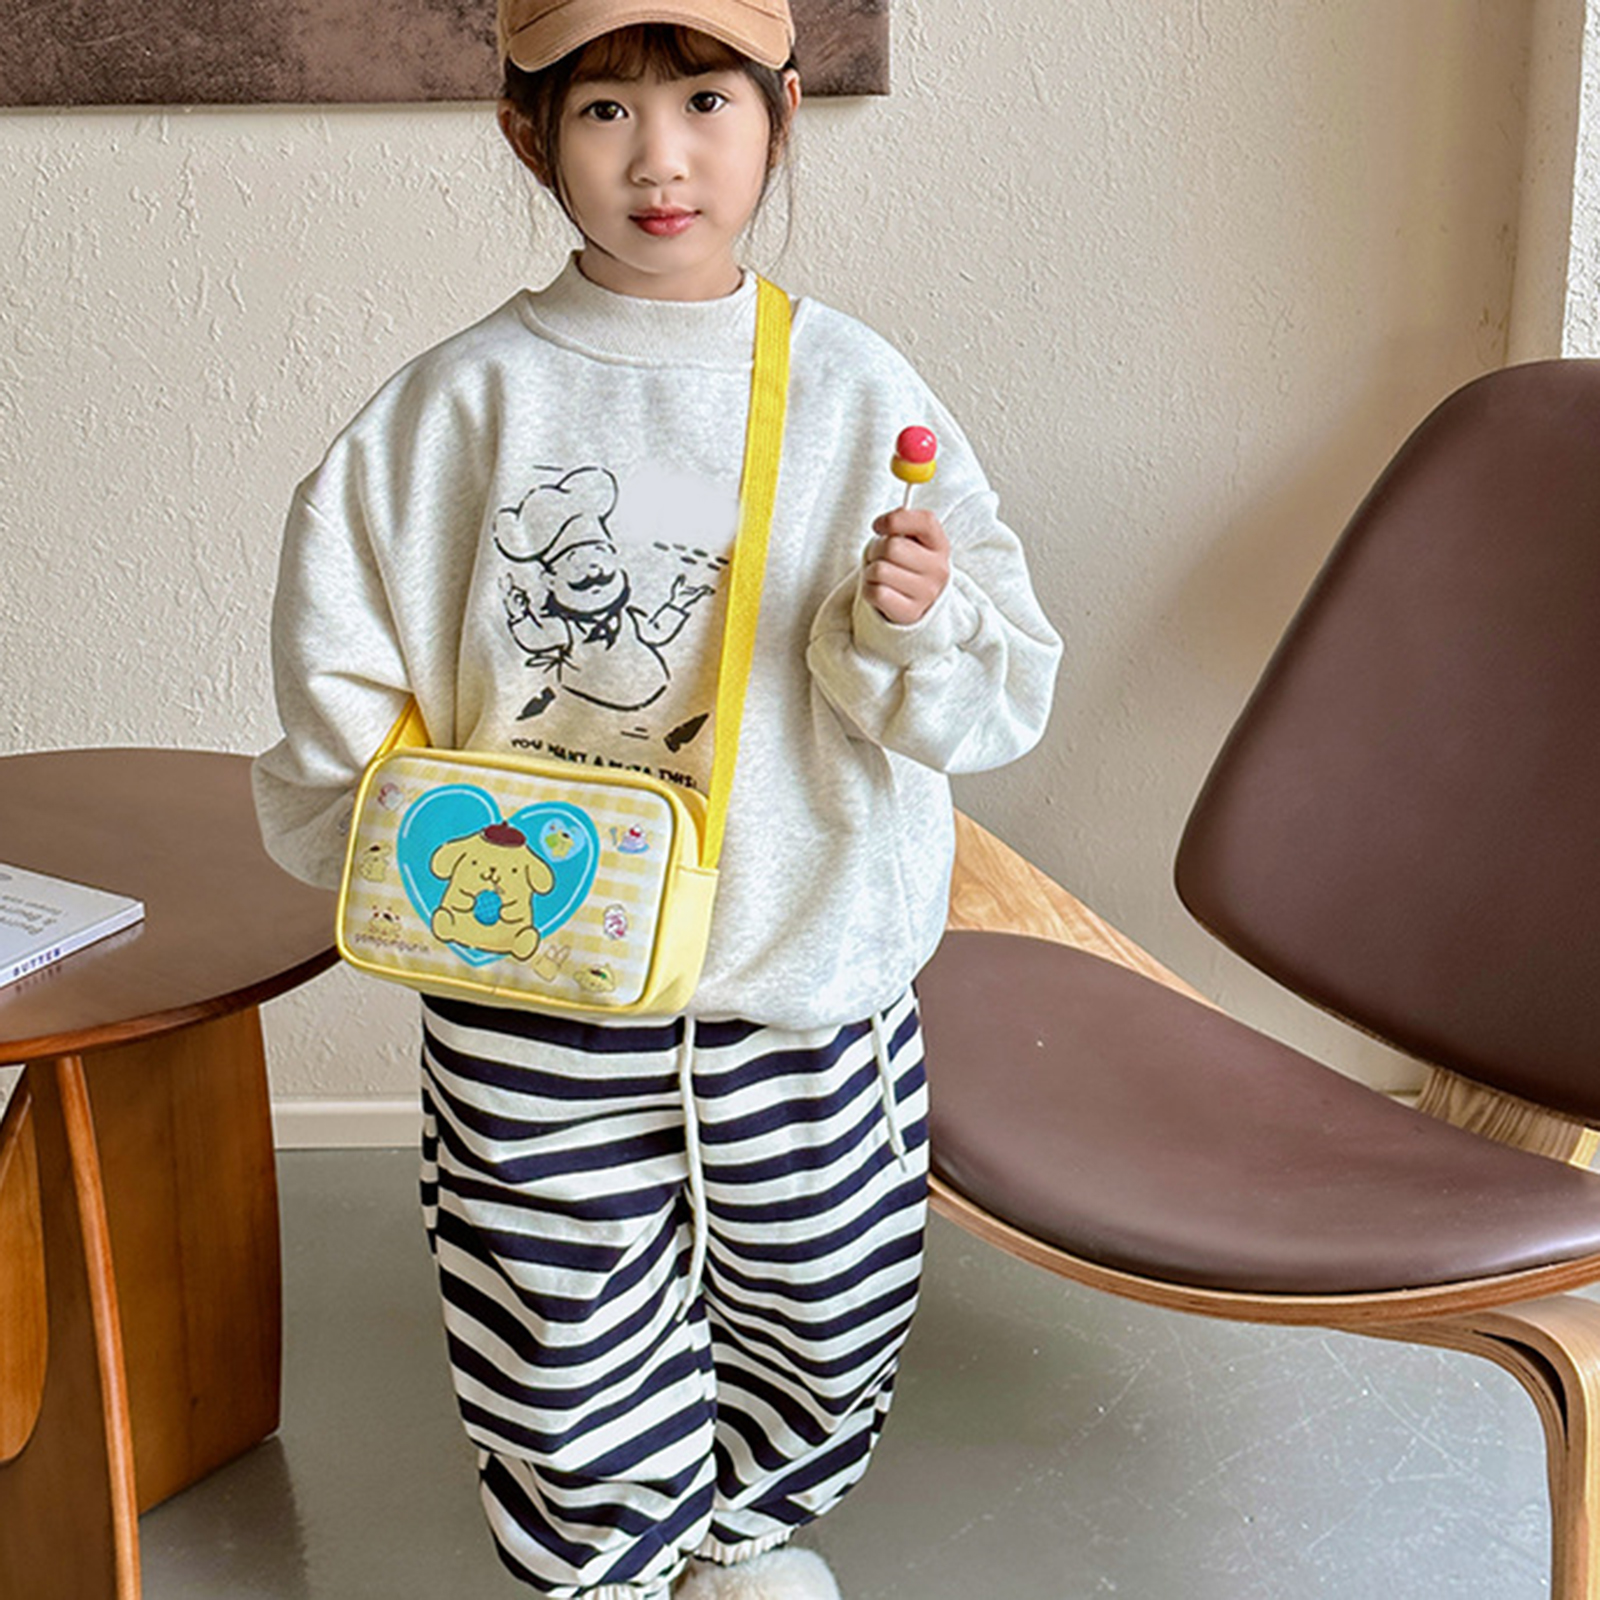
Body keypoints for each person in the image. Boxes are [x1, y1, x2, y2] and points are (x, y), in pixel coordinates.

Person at [253, 0, 1062, 1595]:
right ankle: (607, 1568)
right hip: (530, 975)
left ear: (782, 113)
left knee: (827, 1294)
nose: (662, 160)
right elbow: (340, 653)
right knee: (554, 1318)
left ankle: (745, 1538)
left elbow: (995, 685)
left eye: (704, 101)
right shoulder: (458, 404)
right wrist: (389, 844)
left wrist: (912, 623)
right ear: (528, 136)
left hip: (802, 969)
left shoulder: (851, 388)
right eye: (606, 111)